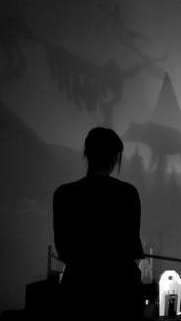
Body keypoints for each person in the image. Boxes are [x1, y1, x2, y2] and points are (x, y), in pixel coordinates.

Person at [53, 127, 145, 320]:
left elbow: (64, 251)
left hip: (79, 292)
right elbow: (133, 249)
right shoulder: (127, 193)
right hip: (122, 293)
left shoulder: (64, 194)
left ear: (87, 154)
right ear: (115, 157)